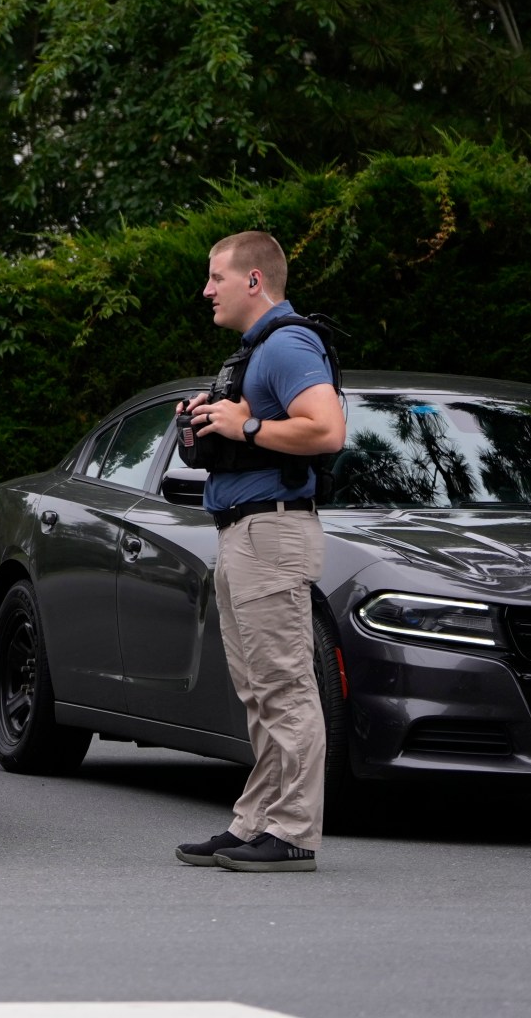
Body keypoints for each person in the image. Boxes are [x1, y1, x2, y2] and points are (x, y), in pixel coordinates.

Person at [171, 231, 346, 874]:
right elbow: (266, 429)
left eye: (216, 277)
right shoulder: (257, 353)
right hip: (247, 531)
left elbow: (327, 428)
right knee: (259, 689)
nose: (207, 290)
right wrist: (216, 418)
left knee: (285, 686)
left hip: (270, 533)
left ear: (254, 282)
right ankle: (256, 824)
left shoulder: (288, 343)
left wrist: (242, 424)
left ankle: (294, 832)